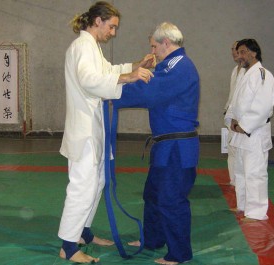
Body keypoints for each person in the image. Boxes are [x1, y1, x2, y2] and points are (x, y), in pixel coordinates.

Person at [58, 1, 154, 263]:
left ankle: (83, 233)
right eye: (111, 27)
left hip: (93, 128)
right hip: (84, 131)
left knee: (96, 183)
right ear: (97, 21)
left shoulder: (92, 48)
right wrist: (130, 77)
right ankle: (67, 246)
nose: (113, 32)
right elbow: (90, 81)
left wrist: (136, 65)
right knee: (82, 187)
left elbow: (108, 71)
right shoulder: (82, 46)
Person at [113, 22, 200, 265]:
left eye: (154, 46)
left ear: (166, 43)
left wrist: (111, 91)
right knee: (152, 194)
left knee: (172, 199)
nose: (152, 51)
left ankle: (179, 253)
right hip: (165, 145)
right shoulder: (168, 66)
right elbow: (152, 85)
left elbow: (149, 92)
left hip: (177, 147)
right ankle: (153, 239)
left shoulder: (179, 66)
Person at [224, 39, 274, 222]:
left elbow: (262, 107)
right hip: (240, 132)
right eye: (239, 52)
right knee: (241, 171)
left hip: (254, 132)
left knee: (255, 172)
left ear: (254, 53)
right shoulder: (244, 74)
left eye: (244, 52)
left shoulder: (263, 75)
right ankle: (243, 205)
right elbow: (234, 101)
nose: (240, 55)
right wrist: (230, 120)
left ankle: (257, 212)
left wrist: (243, 126)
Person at [224, 41, 245, 186]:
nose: (233, 52)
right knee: (231, 150)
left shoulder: (249, 72)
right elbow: (232, 95)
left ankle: (241, 182)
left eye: (236, 49)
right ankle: (233, 181)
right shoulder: (234, 70)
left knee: (240, 152)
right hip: (230, 116)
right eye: (232, 49)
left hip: (241, 119)